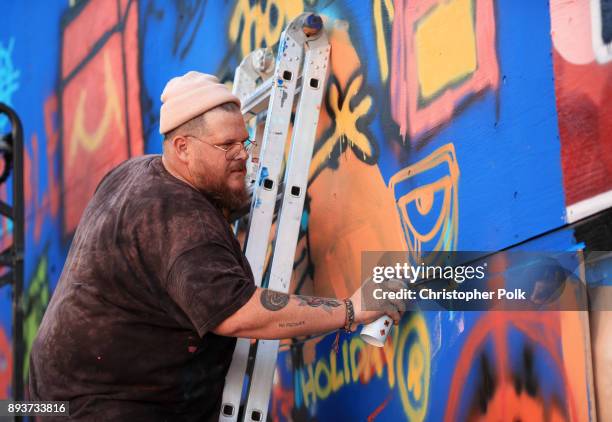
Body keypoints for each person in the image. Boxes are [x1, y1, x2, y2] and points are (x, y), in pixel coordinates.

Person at [28, 72, 401, 421]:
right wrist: (351, 310)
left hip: (50, 401)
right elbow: (238, 312)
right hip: (105, 408)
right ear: (183, 148)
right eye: (226, 145)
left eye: (244, 141)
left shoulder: (134, 173)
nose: (242, 155)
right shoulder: (179, 217)